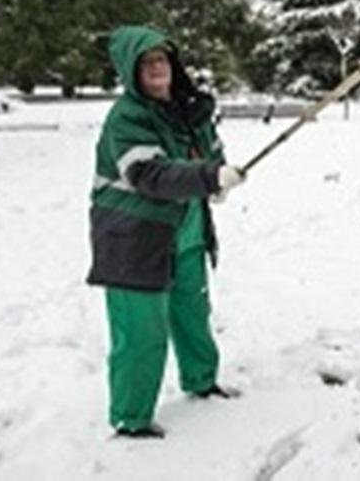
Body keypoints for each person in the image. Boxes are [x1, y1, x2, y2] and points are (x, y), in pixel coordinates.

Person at [86, 25, 246, 439]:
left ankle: (201, 380)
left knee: (193, 312)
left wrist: (217, 178)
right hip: (134, 241)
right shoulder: (127, 118)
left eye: (161, 59)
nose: (156, 67)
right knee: (142, 332)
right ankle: (131, 418)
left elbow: (208, 154)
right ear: (131, 71)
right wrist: (207, 177)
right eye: (146, 63)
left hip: (186, 233)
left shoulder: (188, 110)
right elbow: (148, 174)